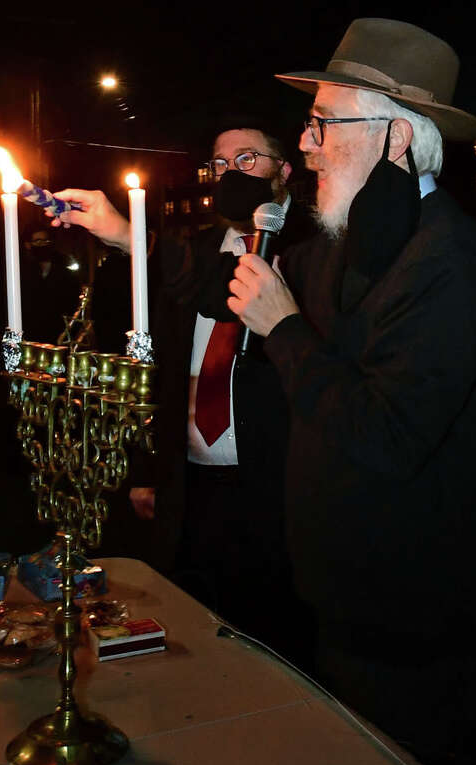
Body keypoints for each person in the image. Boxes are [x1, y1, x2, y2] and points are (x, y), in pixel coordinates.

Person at [226, 20, 476, 765]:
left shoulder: (446, 262)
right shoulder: (347, 239)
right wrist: (127, 236)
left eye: (324, 123)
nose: (306, 143)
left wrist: (283, 327)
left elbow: (389, 436)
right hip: (338, 600)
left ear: (395, 141)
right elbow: (229, 286)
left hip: (415, 623)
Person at [45, 116, 317, 662]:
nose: (229, 172)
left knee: (271, 636)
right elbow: (161, 367)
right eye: (219, 163)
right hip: (192, 481)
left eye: (246, 159)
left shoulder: (314, 250)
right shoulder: (193, 255)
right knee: (192, 623)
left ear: (283, 172)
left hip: (277, 482)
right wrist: (150, 469)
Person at [0, 226, 85, 344]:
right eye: (38, 241)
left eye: (46, 241)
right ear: (28, 245)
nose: (42, 245)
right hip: (25, 341)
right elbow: (0, 308)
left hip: (55, 342)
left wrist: (66, 336)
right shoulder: (17, 274)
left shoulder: (64, 274)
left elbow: (74, 308)